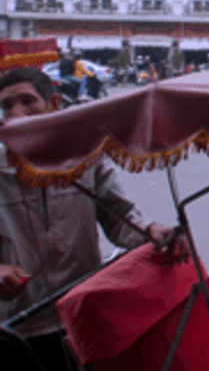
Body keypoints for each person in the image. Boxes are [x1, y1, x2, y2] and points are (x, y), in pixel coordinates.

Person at [0, 67, 187, 370]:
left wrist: (152, 230)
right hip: (18, 326)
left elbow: (120, 217)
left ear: (54, 103)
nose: (16, 114)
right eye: (7, 106)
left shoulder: (86, 159)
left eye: (27, 101)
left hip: (81, 314)